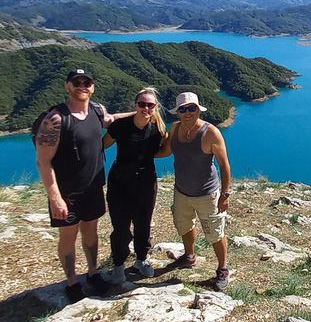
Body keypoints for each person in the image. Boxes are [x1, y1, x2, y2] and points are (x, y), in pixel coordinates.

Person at [35, 68, 129, 303]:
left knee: (91, 233)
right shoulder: (56, 119)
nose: (82, 86)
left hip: (93, 187)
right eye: (76, 82)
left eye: (86, 82)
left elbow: (111, 120)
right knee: (68, 237)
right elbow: (43, 161)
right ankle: (71, 282)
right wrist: (55, 198)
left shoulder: (97, 111)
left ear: (92, 86)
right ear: (67, 85)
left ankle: (93, 272)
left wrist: (141, 111)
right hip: (67, 192)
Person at [156, 92, 231, 291]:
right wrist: (140, 154)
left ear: (198, 109)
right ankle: (189, 256)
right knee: (184, 225)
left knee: (215, 233)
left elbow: (224, 165)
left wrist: (225, 194)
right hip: (181, 191)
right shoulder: (175, 128)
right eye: (183, 109)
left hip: (207, 193)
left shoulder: (211, 132)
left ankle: (222, 269)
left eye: (192, 108)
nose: (188, 112)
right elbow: (166, 151)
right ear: (178, 112)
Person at [102, 87, 167, 283]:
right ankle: (119, 264)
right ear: (135, 105)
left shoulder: (158, 129)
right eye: (141, 104)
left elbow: (164, 151)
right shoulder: (121, 126)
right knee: (120, 226)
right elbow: (102, 145)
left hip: (145, 182)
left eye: (150, 105)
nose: (146, 108)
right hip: (119, 182)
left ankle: (141, 259)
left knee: (143, 223)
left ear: (155, 107)